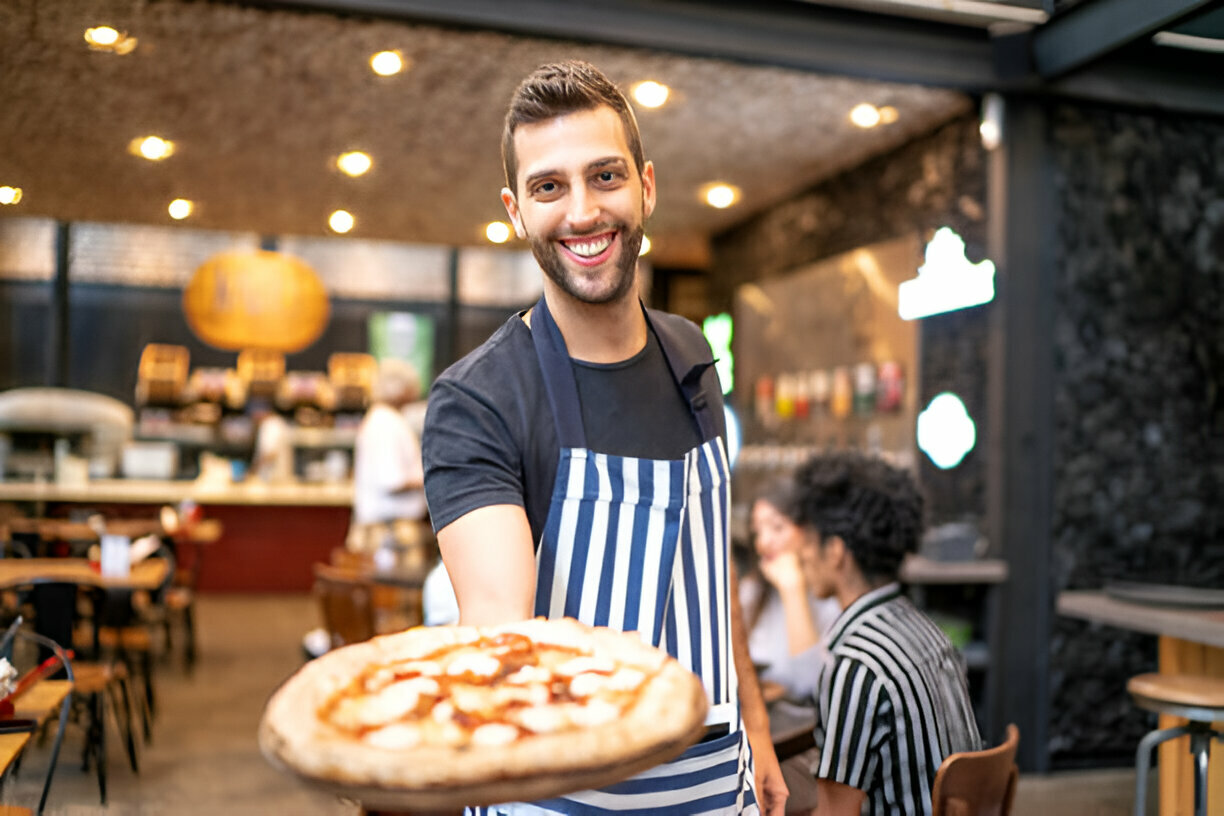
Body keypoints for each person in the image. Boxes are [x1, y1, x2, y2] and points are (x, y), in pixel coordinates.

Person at [423, 60, 784, 815]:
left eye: (605, 176)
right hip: (557, 794)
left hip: (718, 783)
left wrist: (756, 726)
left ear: (646, 187)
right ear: (516, 212)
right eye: (549, 186)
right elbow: (498, 626)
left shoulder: (692, 359)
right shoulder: (479, 398)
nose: (583, 212)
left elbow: (709, 564)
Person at [793, 452, 980, 816]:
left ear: (835, 551)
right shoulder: (928, 632)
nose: (801, 554)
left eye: (808, 540)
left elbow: (835, 813)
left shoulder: (856, 661)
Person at [742, 478, 842, 700]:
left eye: (777, 527)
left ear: (808, 532)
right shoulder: (750, 591)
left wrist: (793, 590)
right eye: (757, 531)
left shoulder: (831, 597)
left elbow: (811, 685)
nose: (763, 542)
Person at [349, 358, 428, 571]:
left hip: (383, 530)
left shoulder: (380, 419)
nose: (416, 391)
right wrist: (430, 476)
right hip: (391, 534)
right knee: (394, 600)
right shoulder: (387, 423)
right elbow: (392, 480)